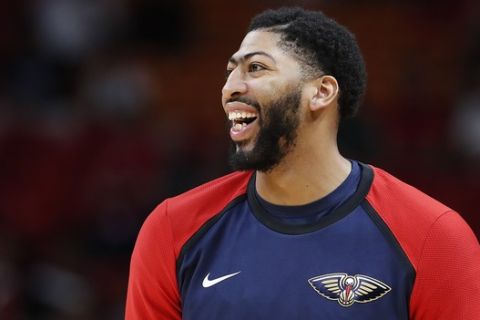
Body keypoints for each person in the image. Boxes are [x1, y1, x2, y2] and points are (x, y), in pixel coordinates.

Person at [125, 7, 480, 319]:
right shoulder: (172, 229)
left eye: (256, 68)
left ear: (322, 92)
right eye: (231, 71)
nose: (230, 86)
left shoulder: (434, 236)